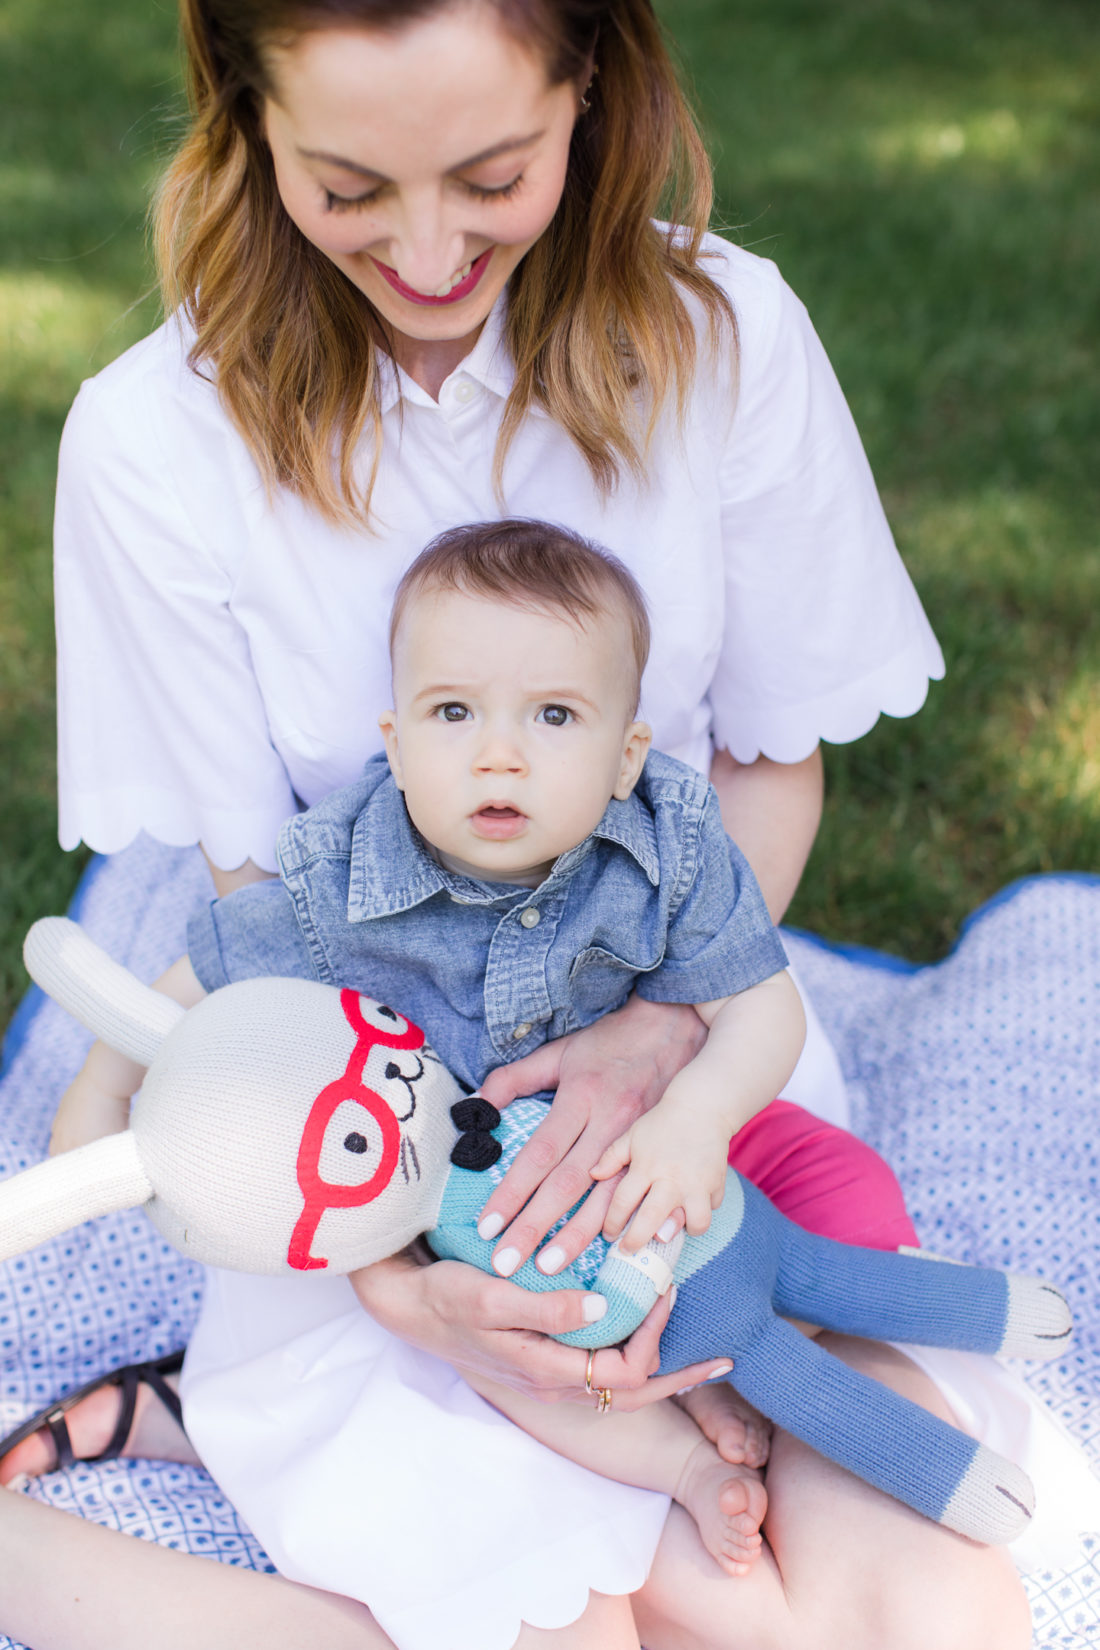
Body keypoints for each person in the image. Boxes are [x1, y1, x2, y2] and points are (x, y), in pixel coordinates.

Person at [0, 0, 1032, 1647]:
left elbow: (767, 769)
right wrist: (404, 1274)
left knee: (931, 1610)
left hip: (700, 1124)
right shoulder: (152, 442)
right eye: (348, 188)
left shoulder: (730, 336)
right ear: (244, 123)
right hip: (360, 1141)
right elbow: (268, 928)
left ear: (593, 91)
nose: (424, 252)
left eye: (494, 174)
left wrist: (668, 1044)